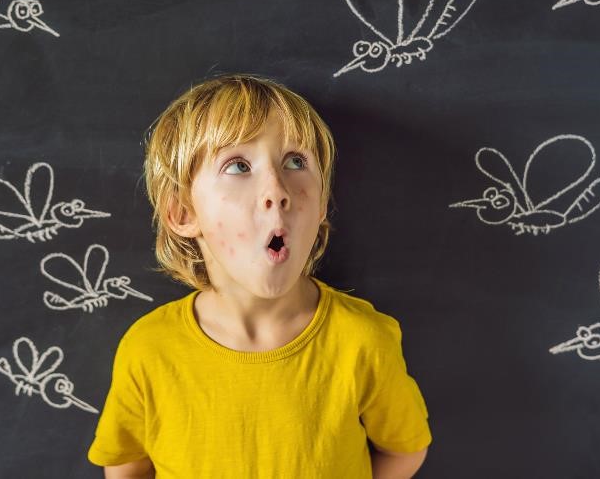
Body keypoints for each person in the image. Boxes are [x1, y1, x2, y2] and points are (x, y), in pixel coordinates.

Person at [87, 74, 431, 478]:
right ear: (182, 213)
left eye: (295, 162)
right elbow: (125, 469)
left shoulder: (363, 341)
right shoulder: (148, 351)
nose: (277, 189)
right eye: (238, 165)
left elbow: (404, 451)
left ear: (321, 204)